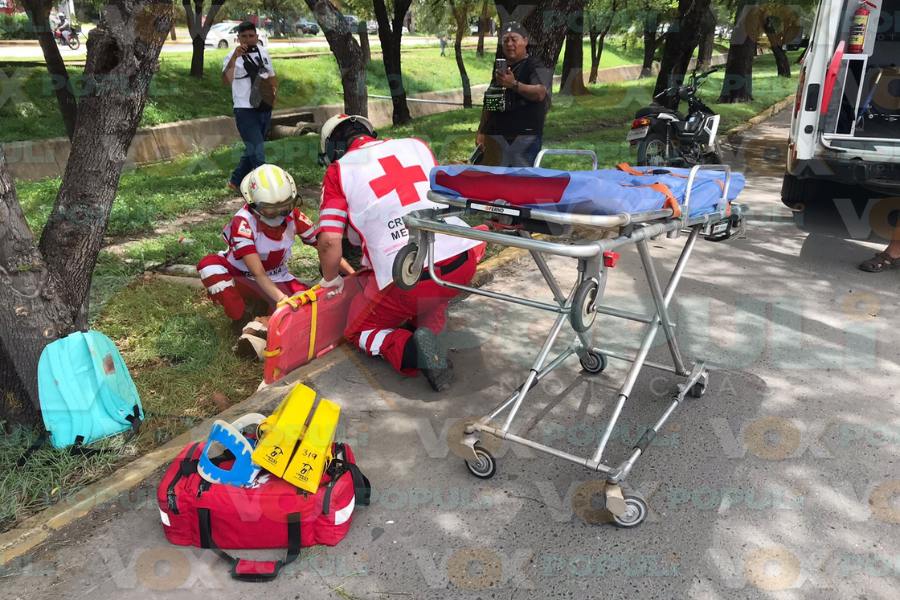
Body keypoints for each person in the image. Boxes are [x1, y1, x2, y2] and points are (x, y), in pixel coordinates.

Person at [314, 114, 483, 392]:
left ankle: (413, 352)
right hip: (460, 261)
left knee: (359, 330)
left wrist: (330, 281)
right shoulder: (416, 145)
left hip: (409, 275)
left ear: (334, 149)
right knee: (430, 297)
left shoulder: (339, 171)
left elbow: (330, 241)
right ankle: (430, 334)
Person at [197, 164, 327, 358]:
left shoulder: (294, 217)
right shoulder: (243, 222)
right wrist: (283, 299)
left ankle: (260, 321)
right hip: (239, 274)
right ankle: (240, 320)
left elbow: (325, 246)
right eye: (270, 210)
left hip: (276, 276)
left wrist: (346, 276)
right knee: (210, 268)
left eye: (285, 207)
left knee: (308, 307)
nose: (279, 215)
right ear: (254, 205)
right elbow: (257, 272)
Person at [475, 21, 551, 167]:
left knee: (521, 183)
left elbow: (540, 93)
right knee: (494, 183)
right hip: (496, 137)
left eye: (514, 39)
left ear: (525, 41)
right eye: (505, 40)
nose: (509, 44)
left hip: (523, 139)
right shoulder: (501, 69)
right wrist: (481, 131)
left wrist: (514, 84)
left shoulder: (535, 65)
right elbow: (490, 102)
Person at [223, 22, 277, 193]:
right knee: (258, 151)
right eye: (244, 36)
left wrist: (273, 97)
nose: (248, 39)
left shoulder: (263, 52)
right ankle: (265, 189)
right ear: (238, 38)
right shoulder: (232, 56)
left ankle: (235, 181)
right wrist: (234, 59)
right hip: (244, 109)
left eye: (251, 36)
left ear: (256, 37)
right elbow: (225, 81)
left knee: (253, 147)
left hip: (263, 107)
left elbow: (272, 76)